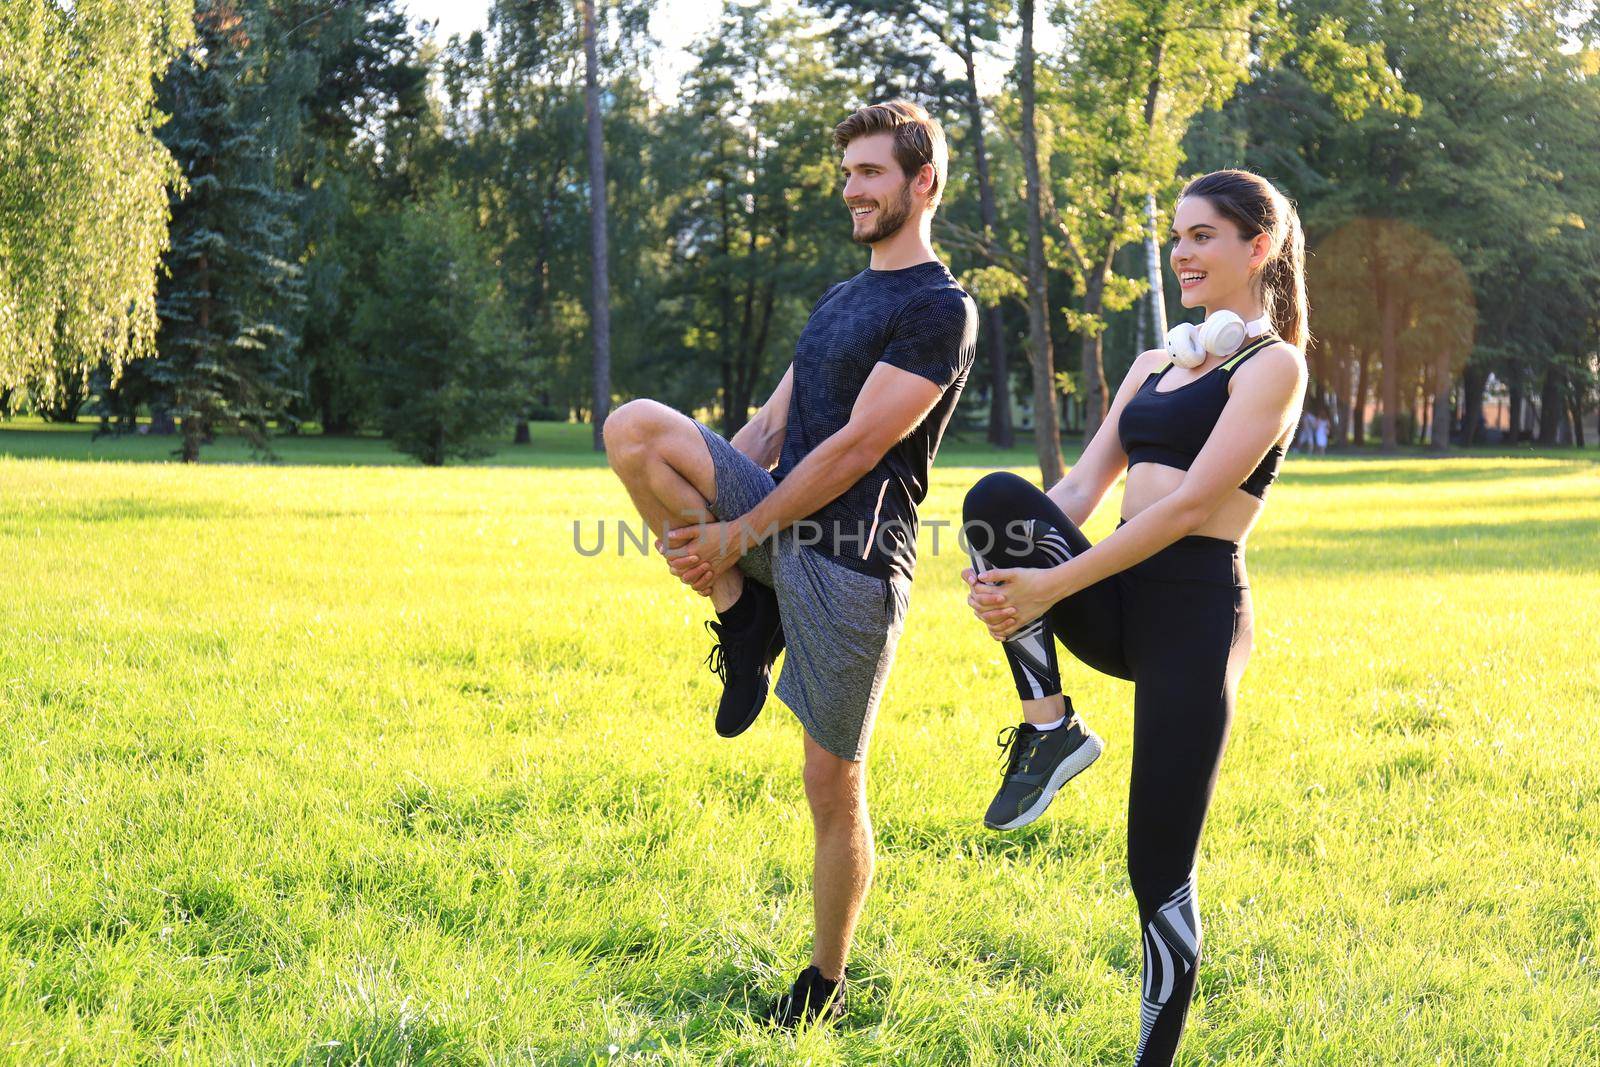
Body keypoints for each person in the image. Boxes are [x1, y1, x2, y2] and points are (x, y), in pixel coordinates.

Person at [602, 100, 977, 1027]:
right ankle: (741, 616)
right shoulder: (841, 299)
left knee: (832, 780)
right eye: (847, 172)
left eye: (870, 173)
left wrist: (736, 529)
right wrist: (707, 516)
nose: (851, 190)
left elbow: (854, 448)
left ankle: (824, 981)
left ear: (921, 184)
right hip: (775, 535)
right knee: (638, 430)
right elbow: (770, 427)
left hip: (854, 564)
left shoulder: (940, 310)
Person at [959, 169, 1307, 1066]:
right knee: (998, 498)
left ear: (1257, 247)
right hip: (1115, 592)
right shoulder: (1155, 361)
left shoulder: (1273, 367)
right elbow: (1079, 489)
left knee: (1155, 870)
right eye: (1178, 237)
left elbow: (1192, 505)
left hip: (1196, 614)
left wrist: (1053, 585)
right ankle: (1052, 729)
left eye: (1202, 237)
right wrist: (1006, 573)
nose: (1182, 253)